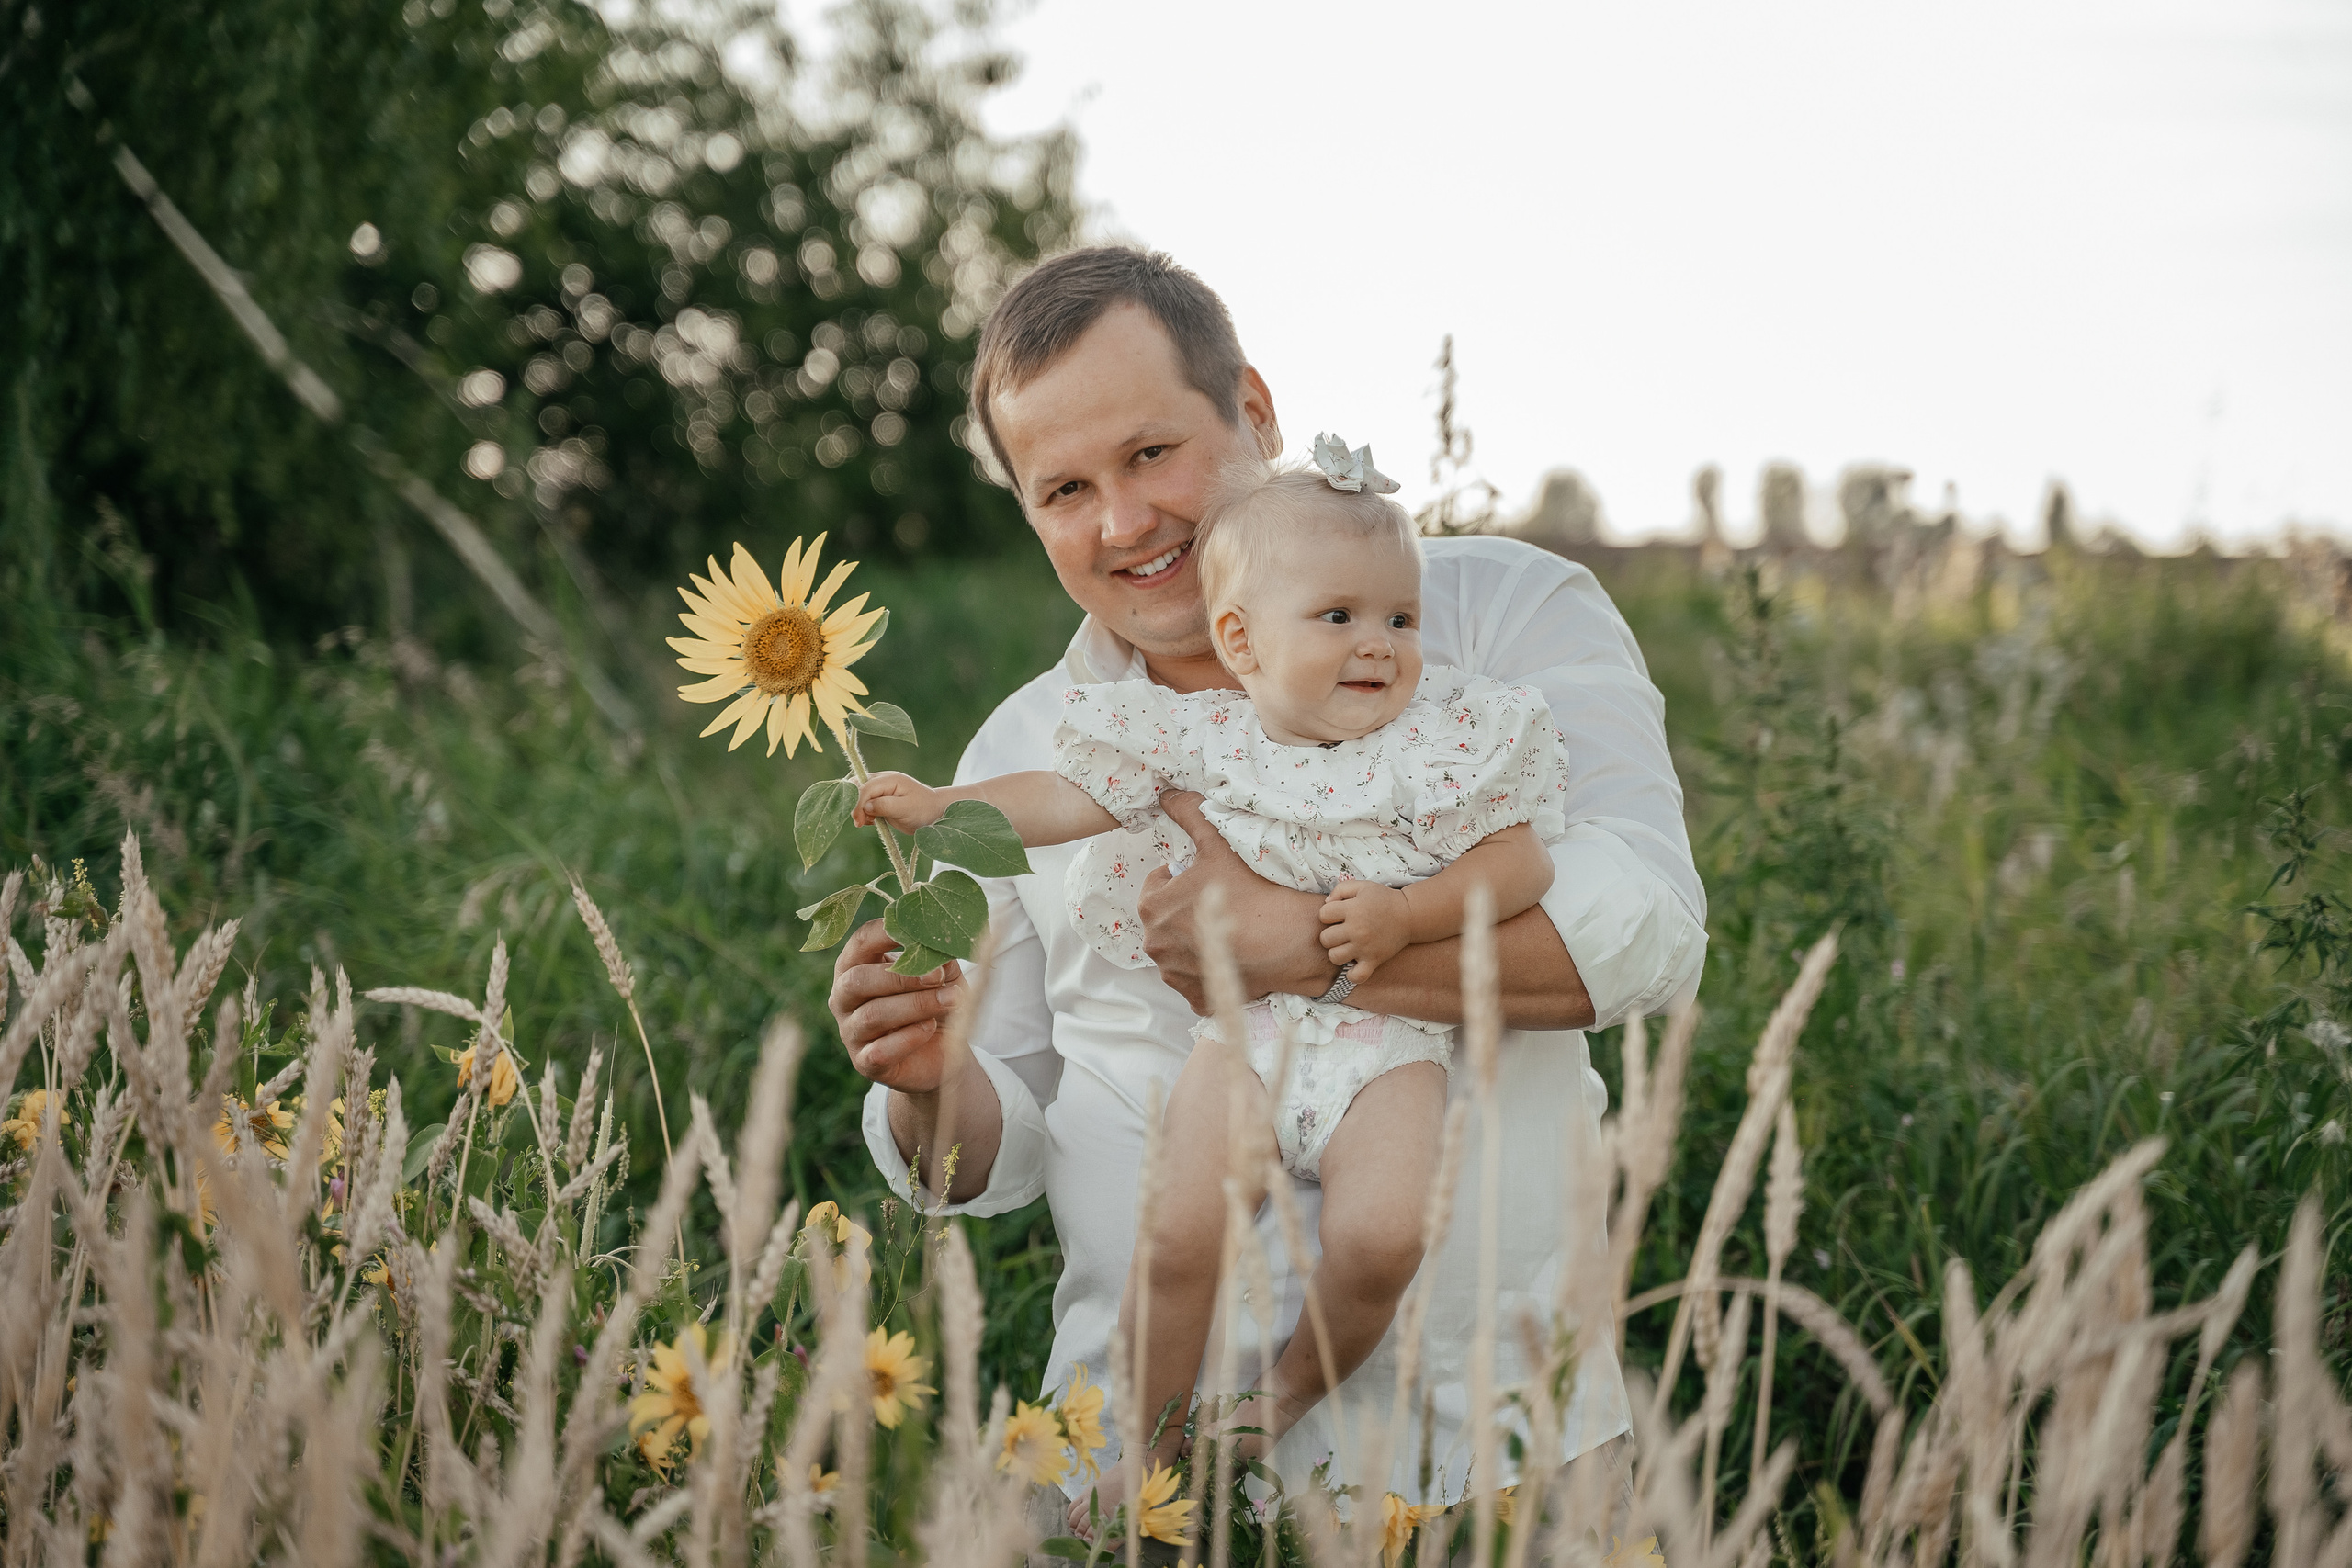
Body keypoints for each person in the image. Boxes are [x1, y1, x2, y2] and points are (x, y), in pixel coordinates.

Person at [829, 245, 1706, 1506]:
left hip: (1494, 1457)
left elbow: (1644, 925)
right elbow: (993, 1150)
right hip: (1131, 1483)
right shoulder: (1025, 750)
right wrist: (925, 1085)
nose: (1123, 521)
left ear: (1253, 409)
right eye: (1065, 488)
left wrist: (1306, 944)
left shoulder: (1501, 622)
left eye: (1150, 454)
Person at [854, 446, 1572, 1516]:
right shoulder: (1200, 739)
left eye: (1400, 620)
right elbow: (1062, 801)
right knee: (1179, 1233)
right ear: (1241, 638)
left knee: (1381, 1237)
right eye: (1337, 618)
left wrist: (1409, 914)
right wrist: (938, 805)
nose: (1377, 644)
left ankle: (1278, 1397)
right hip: (1242, 1039)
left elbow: (1520, 863)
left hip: (1387, 1053)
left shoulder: (1444, 741)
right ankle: (1142, 1442)